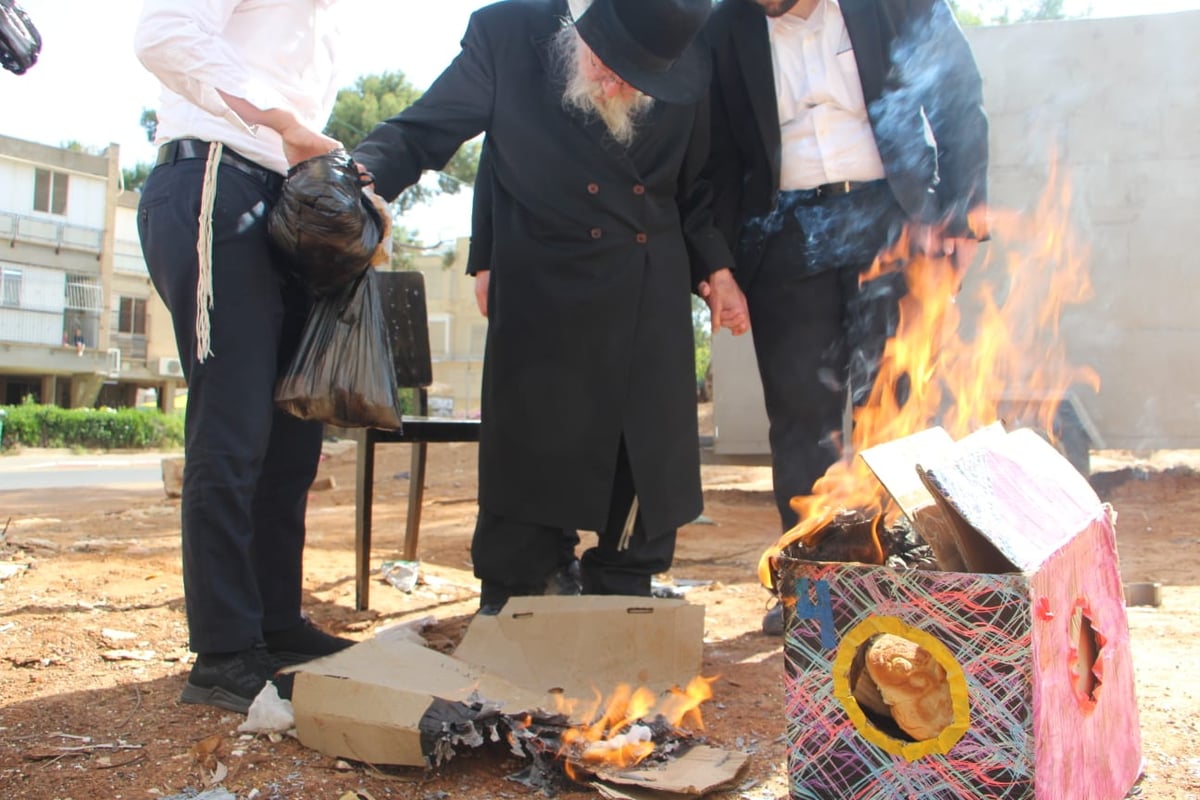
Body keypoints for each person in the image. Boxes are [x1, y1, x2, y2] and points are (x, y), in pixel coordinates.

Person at [352, 0, 749, 614]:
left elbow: (693, 188)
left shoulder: (684, 41)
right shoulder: (507, 31)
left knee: (642, 456)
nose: (625, 82)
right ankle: (524, 591)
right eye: (616, 63)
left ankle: (624, 590)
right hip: (543, 277)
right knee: (536, 449)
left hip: (647, 281)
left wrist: (717, 269)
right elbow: (425, 130)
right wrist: (360, 176)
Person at [702, 0, 989, 633]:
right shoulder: (724, 27)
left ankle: (905, 575)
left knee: (897, 402)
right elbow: (711, 155)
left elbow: (957, 91)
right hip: (782, 235)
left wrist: (965, 212)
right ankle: (813, 590)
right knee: (802, 417)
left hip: (890, 218)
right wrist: (717, 265)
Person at [134, 0, 355, 714]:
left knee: (293, 434)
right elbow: (163, 33)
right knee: (232, 429)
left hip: (288, 200)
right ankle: (225, 653)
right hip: (213, 177)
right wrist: (280, 121)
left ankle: (274, 623)